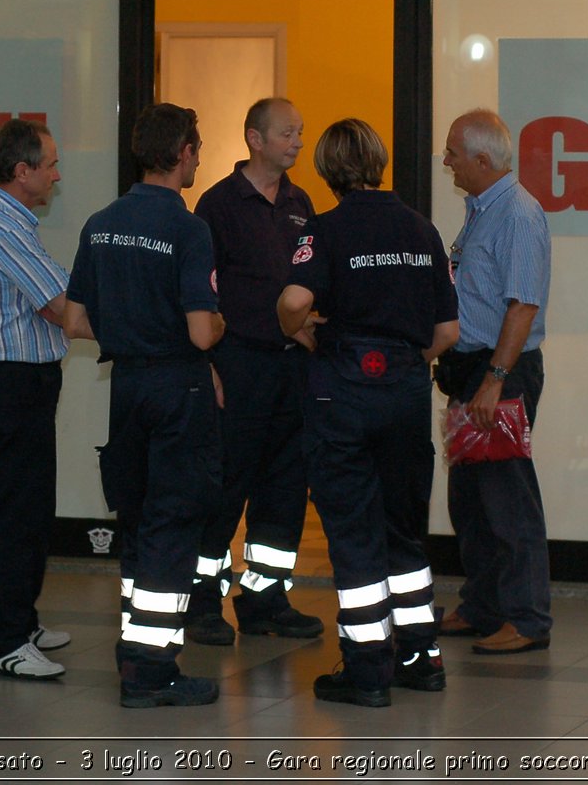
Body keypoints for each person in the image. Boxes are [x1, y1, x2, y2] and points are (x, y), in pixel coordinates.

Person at [277, 118, 459, 707]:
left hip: (345, 390)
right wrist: (404, 359)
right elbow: (448, 331)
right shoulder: (422, 230)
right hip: (405, 388)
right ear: (379, 163)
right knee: (403, 530)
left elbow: (296, 299)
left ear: (328, 171)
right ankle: (421, 657)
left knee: (354, 533)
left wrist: (299, 330)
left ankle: (367, 670)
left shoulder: (321, 231)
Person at [62, 103, 227, 709]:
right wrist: (219, 320)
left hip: (126, 389)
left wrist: (128, 326)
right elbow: (201, 334)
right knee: (173, 522)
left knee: (135, 519)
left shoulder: (100, 222)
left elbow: (76, 321)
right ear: (182, 151)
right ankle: (154, 670)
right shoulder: (188, 230)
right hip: (177, 390)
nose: (200, 157)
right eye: (198, 147)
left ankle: (134, 653)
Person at [186, 98, 323, 646]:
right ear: (254, 139)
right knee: (225, 486)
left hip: (292, 369)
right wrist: (208, 367)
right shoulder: (217, 206)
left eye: (301, 132)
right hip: (239, 365)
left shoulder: (300, 202)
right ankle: (201, 602)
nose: (297, 141)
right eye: (288, 132)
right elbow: (198, 292)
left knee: (286, 487)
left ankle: (266, 599)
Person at [0, 118, 73, 680]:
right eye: (49, 164)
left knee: (32, 509)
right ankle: (4, 642)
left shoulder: (13, 223)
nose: (56, 174)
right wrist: (143, 330)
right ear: (21, 171)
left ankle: (22, 622)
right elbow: (59, 307)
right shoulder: (0, 229)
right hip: (10, 384)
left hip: (25, 384)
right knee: (12, 517)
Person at [435, 109, 553, 655]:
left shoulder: (518, 216)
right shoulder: (482, 209)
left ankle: (526, 619)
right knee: (471, 501)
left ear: (483, 161)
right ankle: (482, 606)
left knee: (508, 499)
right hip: (473, 368)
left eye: (454, 153)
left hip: (500, 371)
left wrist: (494, 381)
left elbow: (522, 304)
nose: (446, 160)